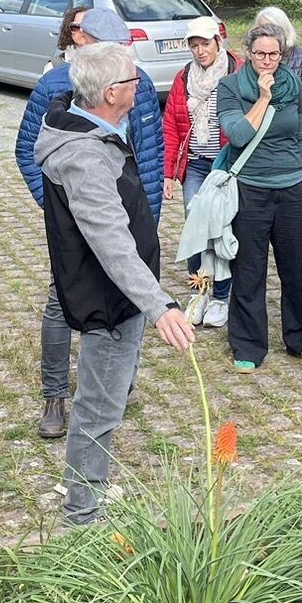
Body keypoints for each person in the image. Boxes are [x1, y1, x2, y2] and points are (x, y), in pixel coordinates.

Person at [36, 42, 198, 525]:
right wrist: (160, 305)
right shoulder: (84, 157)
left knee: (106, 398)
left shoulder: (85, 122)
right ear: (110, 93)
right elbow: (110, 242)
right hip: (109, 297)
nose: (141, 87)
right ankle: (81, 515)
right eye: (133, 81)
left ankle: (91, 490)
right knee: (99, 406)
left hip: (119, 293)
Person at [16, 6, 164, 441]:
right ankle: (54, 396)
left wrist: (147, 214)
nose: (122, 56)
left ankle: (114, 386)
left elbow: (149, 153)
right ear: (83, 41)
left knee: (129, 300)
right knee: (62, 303)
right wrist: (62, 207)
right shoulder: (54, 86)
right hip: (77, 229)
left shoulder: (136, 83)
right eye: (111, 46)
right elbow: (29, 150)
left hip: (128, 218)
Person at [217, 21, 302, 371]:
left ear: (283, 55)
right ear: (248, 53)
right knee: (249, 271)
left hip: (294, 189)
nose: (267, 60)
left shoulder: (293, 85)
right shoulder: (230, 86)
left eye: (274, 54)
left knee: (297, 269)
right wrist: (263, 98)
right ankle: (247, 345)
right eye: (260, 53)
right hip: (250, 189)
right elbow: (236, 134)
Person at [161, 15, 240, 323]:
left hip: (225, 166)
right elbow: (171, 126)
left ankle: (222, 296)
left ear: (217, 42)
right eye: (193, 45)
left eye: (204, 44)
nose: (199, 51)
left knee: (220, 229)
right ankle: (200, 290)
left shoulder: (237, 72)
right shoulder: (184, 79)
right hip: (194, 164)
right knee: (194, 228)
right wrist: (168, 173)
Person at [253, 5, 302, 139]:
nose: (267, 33)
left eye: (272, 28)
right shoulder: (254, 59)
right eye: (261, 29)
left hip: (297, 134)